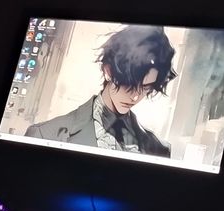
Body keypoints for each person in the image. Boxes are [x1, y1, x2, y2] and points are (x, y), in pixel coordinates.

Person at [24, 25, 178, 157]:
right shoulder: (44, 135)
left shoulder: (159, 149)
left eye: (145, 87)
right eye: (129, 84)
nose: (135, 96)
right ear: (108, 71)